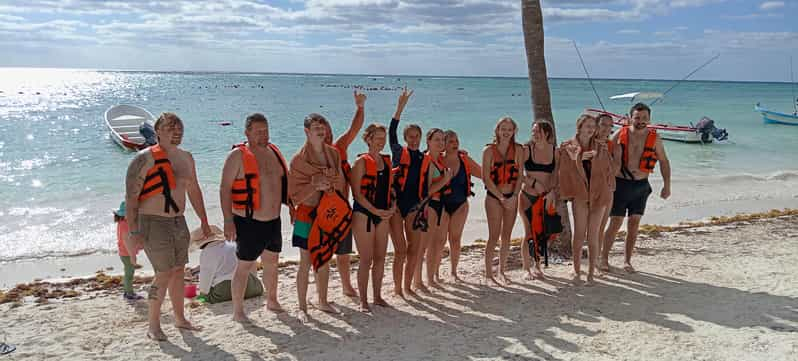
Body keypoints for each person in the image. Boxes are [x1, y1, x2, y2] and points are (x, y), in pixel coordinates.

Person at [125, 112, 211, 341]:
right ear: (158, 131)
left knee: (178, 272)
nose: (176, 131)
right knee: (162, 274)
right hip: (153, 222)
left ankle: (180, 318)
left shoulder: (187, 158)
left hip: (178, 221)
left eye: (179, 128)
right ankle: (153, 325)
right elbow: (131, 198)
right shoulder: (144, 159)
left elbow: (194, 190)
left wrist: (204, 220)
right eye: (170, 128)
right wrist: (133, 232)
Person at [220, 113, 291, 322]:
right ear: (247, 133)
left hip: (274, 220)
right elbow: (225, 188)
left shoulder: (274, 152)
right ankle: (238, 310)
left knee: (272, 262)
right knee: (244, 265)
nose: (263, 135)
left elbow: (283, 185)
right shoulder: (237, 156)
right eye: (258, 131)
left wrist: (293, 207)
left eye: (266, 131)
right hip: (248, 221)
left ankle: (272, 300)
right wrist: (227, 220)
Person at [289, 113, 348, 321]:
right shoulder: (298, 160)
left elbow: (340, 183)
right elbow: (294, 196)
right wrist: (314, 184)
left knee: (324, 259)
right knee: (305, 261)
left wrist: (330, 184)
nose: (320, 131)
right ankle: (302, 306)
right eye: (316, 128)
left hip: (327, 214)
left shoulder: (333, 154)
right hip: (306, 214)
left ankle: (322, 301)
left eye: (322, 127)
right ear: (307, 132)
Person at [601, 103, 671, 273]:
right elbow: (604, 152)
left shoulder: (655, 138)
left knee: (634, 223)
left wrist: (666, 185)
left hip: (641, 186)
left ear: (649, 119)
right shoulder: (621, 133)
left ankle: (627, 261)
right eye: (637, 117)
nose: (641, 121)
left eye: (645, 118)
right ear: (630, 117)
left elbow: (664, 161)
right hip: (620, 184)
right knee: (615, 222)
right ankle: (603, 258)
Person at [558, 114, 614, 284]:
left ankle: (591, 272)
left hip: (599, 194)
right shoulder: (568, 146)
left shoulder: (600, 146)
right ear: (579, 127)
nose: (590, 129)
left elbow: (609, 170)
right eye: (587, 126)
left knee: (594, 235)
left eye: (592, 126)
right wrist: (579, 160)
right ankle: (576, 270)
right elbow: (562, 171)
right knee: (579, 234)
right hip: (580, 195)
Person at [321, 90, 366, 299]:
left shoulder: (339, 147)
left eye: (328, 130)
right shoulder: (310, 155)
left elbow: (354, 129)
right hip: (320, 211)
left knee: (343, 251)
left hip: (342, 208)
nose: (327, 134)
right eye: (321, 132)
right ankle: (323, 293)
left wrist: (360, 107)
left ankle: (346, 286)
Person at [349, 124, 395, 311]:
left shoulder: (386, 162)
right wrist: (375, 211)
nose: (381, 142)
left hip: (383, 214)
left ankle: (377, 296)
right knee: (366, 259)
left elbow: (389, 189)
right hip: (364, 214)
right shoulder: (360, 162)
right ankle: (363, 301)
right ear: (368, 139)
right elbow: (357, 194)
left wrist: (392, 206)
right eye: (377, 138)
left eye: (383, 138)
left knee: (380, 258)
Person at [388, 87, 424, 297]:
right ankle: (397, 288)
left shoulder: (423, 157)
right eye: (410, 136)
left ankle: (408, 286)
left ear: (420, 138)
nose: (413, 139)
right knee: (400, 250)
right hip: (395, 206)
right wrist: (400, 107)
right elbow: (391, 132)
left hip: (414, 206)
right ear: (405, 137)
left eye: (416, 136)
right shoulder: (398, 151)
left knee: (414, 250)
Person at [481, 117, 523, 285]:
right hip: (494, 197)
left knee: (506, 236)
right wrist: (500, 197)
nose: (506, 132)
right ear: (497, 130)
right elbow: (486, 178)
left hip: (512, 197)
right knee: (493, 236)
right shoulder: (488, 151)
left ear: (514, 132)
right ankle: (488, 274)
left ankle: (502, 271)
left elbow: (520, 176)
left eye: (509, 129)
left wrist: (513, 197)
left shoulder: (519, 150)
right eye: (503, 129)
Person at [439, 130, 481, 282]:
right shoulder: (437, 160)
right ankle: (435, 273)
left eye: (456, 140)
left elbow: (484, 174)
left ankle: (454, 272)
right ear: (443, 144)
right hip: (441, 205)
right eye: (450, 141)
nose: (455, 144)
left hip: (460, 204)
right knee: (440, 240)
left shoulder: (464, 159)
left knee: (455, 239)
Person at [518, 121, 558, 280]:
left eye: (538, 131)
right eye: (533, 131)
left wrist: (552, 191)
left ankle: (538, 265)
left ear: (547, 133)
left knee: (542, 234)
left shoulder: (555, 151)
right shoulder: (526, 150)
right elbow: (519, 174)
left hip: (545, 197)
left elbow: (556, 174)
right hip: (528, 195)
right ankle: (526, 268)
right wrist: (534, 183)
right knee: (529, 232)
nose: (535, 134)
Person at [418, 128, 454, 289]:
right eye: (436, 140)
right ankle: (418, 281)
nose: (440, 143)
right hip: (430, 204)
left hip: (440, 205)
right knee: (424, 245)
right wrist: (445, 179)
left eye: (442, 140)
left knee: (438, 243)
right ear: (428, 141)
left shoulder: (439, 159)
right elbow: (427, 190)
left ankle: (431, 277)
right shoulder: (426, 160)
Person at [193, 226, 263, 304]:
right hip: (253, 287)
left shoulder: (206, 253)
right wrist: (254, 280)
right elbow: (251, 262)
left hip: (226, 290)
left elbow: (205, 277)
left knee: (206, 297)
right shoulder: (233, 244)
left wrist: (203, 294)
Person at [595, 114, 622, 257]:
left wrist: (606, 154)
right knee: (585, 227)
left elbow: (616, 171)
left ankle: (598, 258)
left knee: (600, 226)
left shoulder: (614, 147)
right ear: (596, 125)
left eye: (610, 126)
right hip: (588, 189)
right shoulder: (587, 143)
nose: (606, 129)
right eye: (603, 125)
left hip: (607, 189)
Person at [113, 201, 143, 301]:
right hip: (126, 253)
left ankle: (127, 291)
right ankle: (129, 293)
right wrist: (132, 255)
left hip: (124, 252)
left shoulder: (122, 223)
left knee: (128, 272)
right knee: (129, 273)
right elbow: (126, 241)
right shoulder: (125, 225)